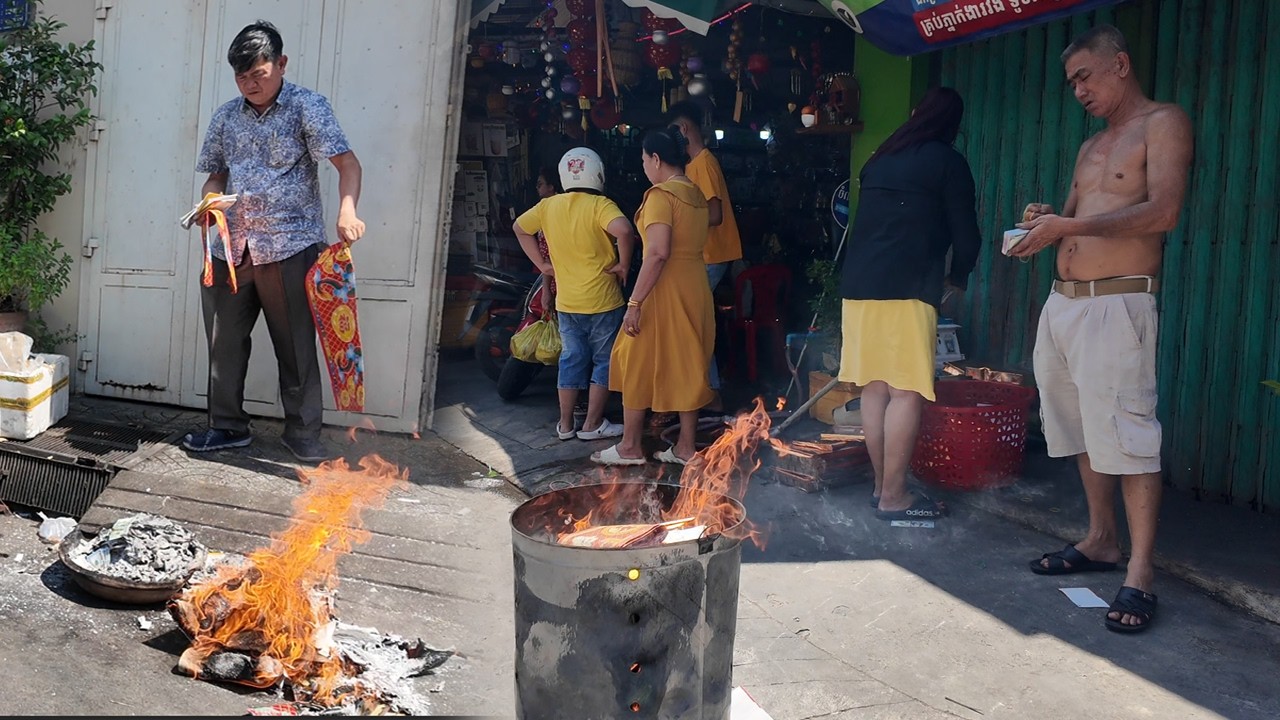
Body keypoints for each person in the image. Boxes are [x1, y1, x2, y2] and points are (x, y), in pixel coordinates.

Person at [1013, 24, 1193, 634]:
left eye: (1085, 76)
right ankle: (1100, 540)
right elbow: (1077, 216)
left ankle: (1139, 573)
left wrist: (1066, 228)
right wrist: (1045, 220)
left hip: (1118, 306)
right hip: (1064, 305)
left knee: (1131, 435)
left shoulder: (1163, 122)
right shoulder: (1092, 146)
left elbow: (1164, 211)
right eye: (1071, 83)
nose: (1079, 91)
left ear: (1120, 63)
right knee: (1080, 430)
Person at [182, 20, 364, 464]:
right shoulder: (226, 115)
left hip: (289, 247)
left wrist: (347, 210)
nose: (250, 85)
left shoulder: (307, 107)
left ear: (280, 64)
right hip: (230, 250)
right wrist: (210, 202)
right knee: (223, 344)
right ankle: (226, 427)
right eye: (241, 77)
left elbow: (348, 165)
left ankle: (302, 434)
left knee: (295, 345)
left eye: (258, 75)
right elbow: (215, 173)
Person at [837, 87, 981, 522]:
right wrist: (958, 278)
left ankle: (882, 486)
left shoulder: (880, 157)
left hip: (859, 285)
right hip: (908, 284)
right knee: (906, 390)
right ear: (951, 124)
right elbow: (966, 234)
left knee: (875, 388)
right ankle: (894, 496)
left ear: (916, 114)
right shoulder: (947, 162)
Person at [592, 126, 714, 467]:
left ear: (656, 159)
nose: (644, 166)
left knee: (634, 360)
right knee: (689, 361)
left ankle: (630, 446)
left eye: (645, 160)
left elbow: (658, 253)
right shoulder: (696, 196)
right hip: (695, 287)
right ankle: (685, 447)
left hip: (664, 289)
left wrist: (634, 303)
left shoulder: (661, 196)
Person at [513, 148, 636, 442]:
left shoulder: (548, 206)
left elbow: (519, 228)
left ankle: (565, 425)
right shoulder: (600, 205)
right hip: (604, 301)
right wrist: (624, 265)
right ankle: (592, 425)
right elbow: (625, 231)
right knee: (604, 362)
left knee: (571, 360)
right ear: (598, 173)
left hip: (568, 303)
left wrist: (542, 264)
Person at [668, 101, 741, 409]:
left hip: (712, 254)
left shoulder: (704, 162)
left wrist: (680, 223)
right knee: (694, 322)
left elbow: (715, 214)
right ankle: (708, 390)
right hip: (705, 255)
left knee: (690, 322)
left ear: (684, 129)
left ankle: (707, 392)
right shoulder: (693, 165)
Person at [532, 167, 561, 309]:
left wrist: (546, 291)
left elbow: (549, 257)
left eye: (540, 184)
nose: (537, 188)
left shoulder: (548, 211)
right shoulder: (562, 207)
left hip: (557, 281)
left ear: (551, 187)